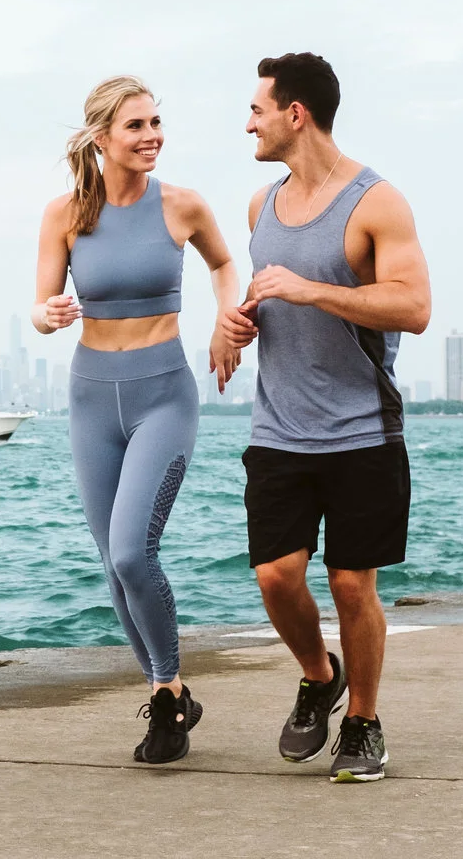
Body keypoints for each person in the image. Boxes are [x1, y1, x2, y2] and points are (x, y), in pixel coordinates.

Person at [212, 52, 431, 782]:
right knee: (276, 576)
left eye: (257, 109)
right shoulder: (259, 206)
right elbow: (266, 295)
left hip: (362, 429)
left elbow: (414, 306)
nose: (248, 122)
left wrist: (313, 291)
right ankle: (319, 674)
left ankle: (363, 722)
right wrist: (232, 327)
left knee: (349, 584)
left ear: (294, 113)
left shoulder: (375, 201)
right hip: (278, 428)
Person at [35, 75, 243, 764]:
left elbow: (222, 265)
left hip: (162, 394)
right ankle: (168, 696)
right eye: (136, 125)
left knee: (132, 550)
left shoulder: (182, 205)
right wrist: (50, 313)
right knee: (111, 564)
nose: (152, 135)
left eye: (156, 121)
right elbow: (40, 304)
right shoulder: (64, 214)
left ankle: (167, 688)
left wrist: (226, 320)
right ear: (102, 139)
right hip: (92, 396)